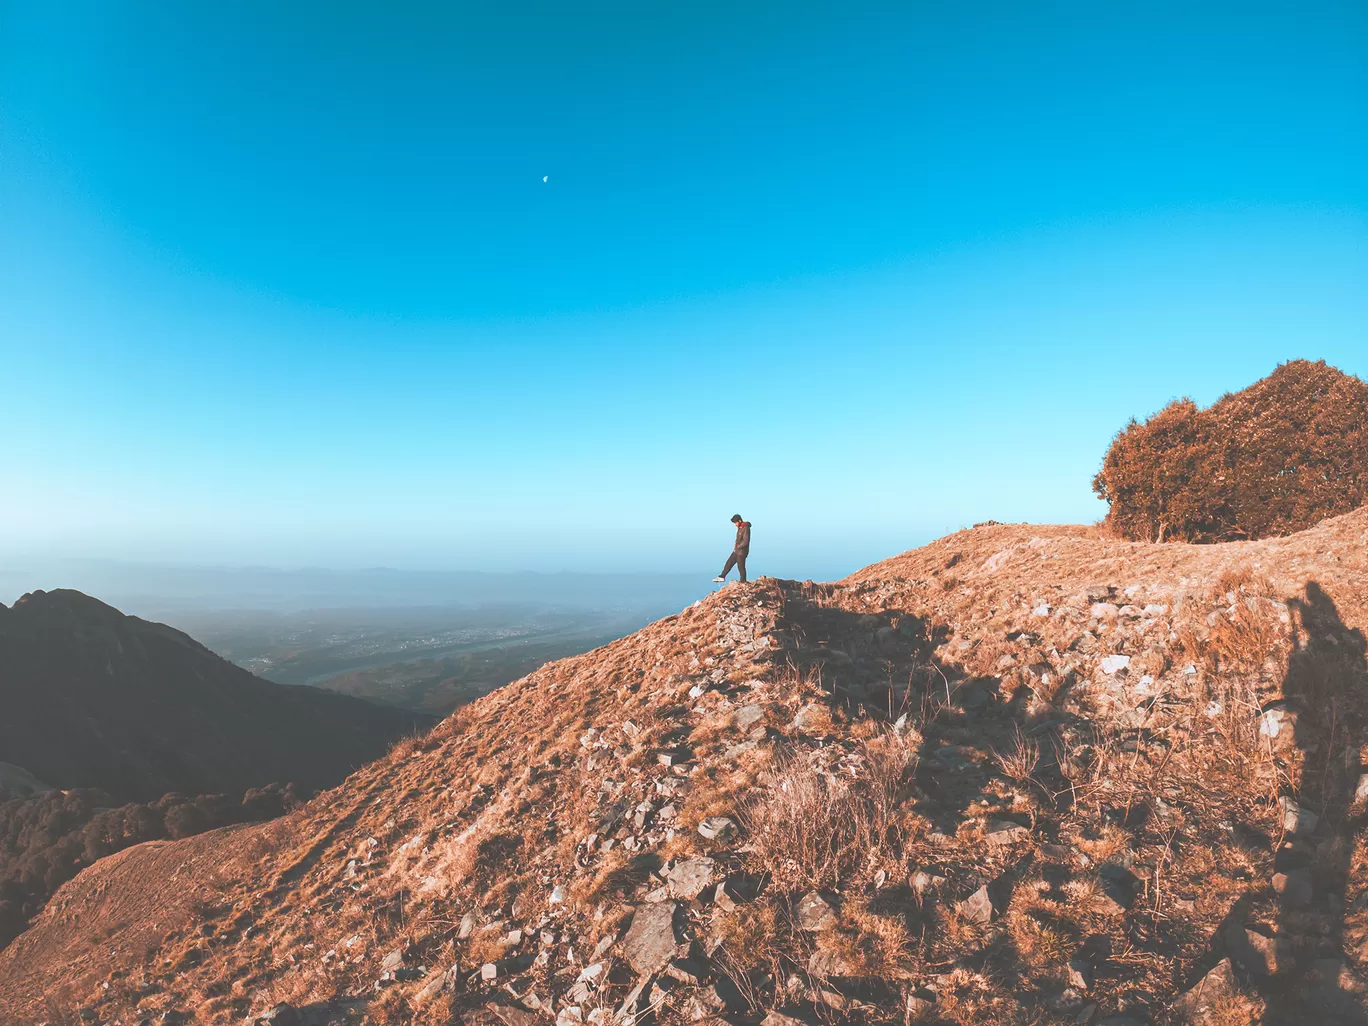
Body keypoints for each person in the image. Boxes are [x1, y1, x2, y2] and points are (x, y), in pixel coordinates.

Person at [713, 514, 751, 583]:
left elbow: (746, 541)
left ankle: (743, 582)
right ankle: (722, 577)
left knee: (741, 568)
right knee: (729, 563)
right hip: (737, 551)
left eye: (736, 523)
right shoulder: (740, 528)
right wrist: (736, 546)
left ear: (740, 521)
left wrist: (738, 546)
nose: (735, 524)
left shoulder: (746, 528)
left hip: (742, 552)